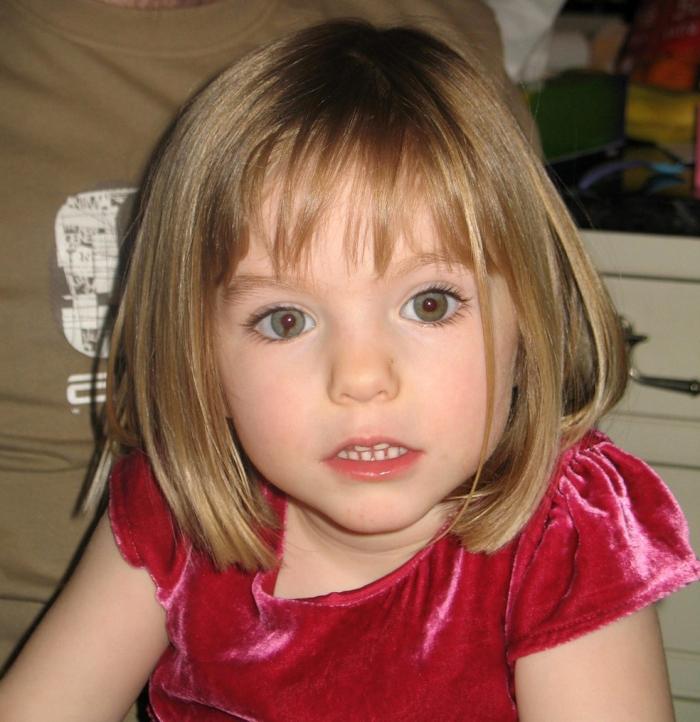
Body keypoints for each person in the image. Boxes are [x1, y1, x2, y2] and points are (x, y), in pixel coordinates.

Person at [2, 18, 698, 722]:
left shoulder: (569, 540)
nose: (361, 379)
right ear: (198, 360)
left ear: (531, 324)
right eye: (285, 320)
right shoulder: (176, 509)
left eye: (429, 304)